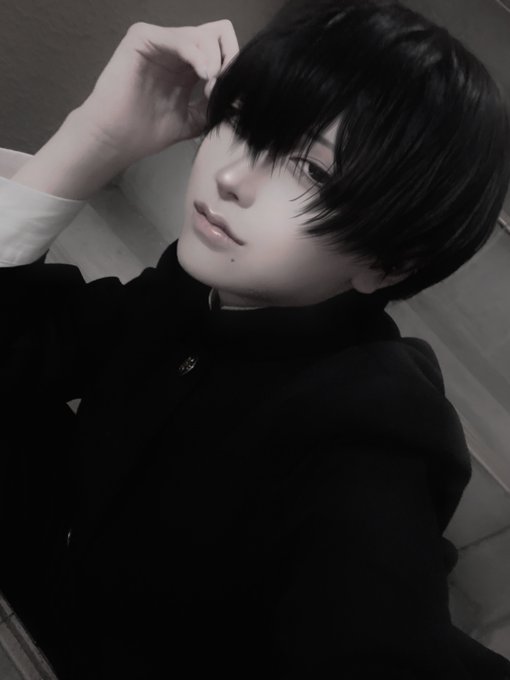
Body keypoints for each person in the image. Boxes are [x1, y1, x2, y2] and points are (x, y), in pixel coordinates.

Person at [1, 1, 510, 678]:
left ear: (389, 263)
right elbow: (27, 351)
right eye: (241, 120)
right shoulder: (202, 289)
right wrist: (95, 136)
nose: (231, 177)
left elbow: (384, 644)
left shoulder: (369, 436)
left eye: (313, 170)